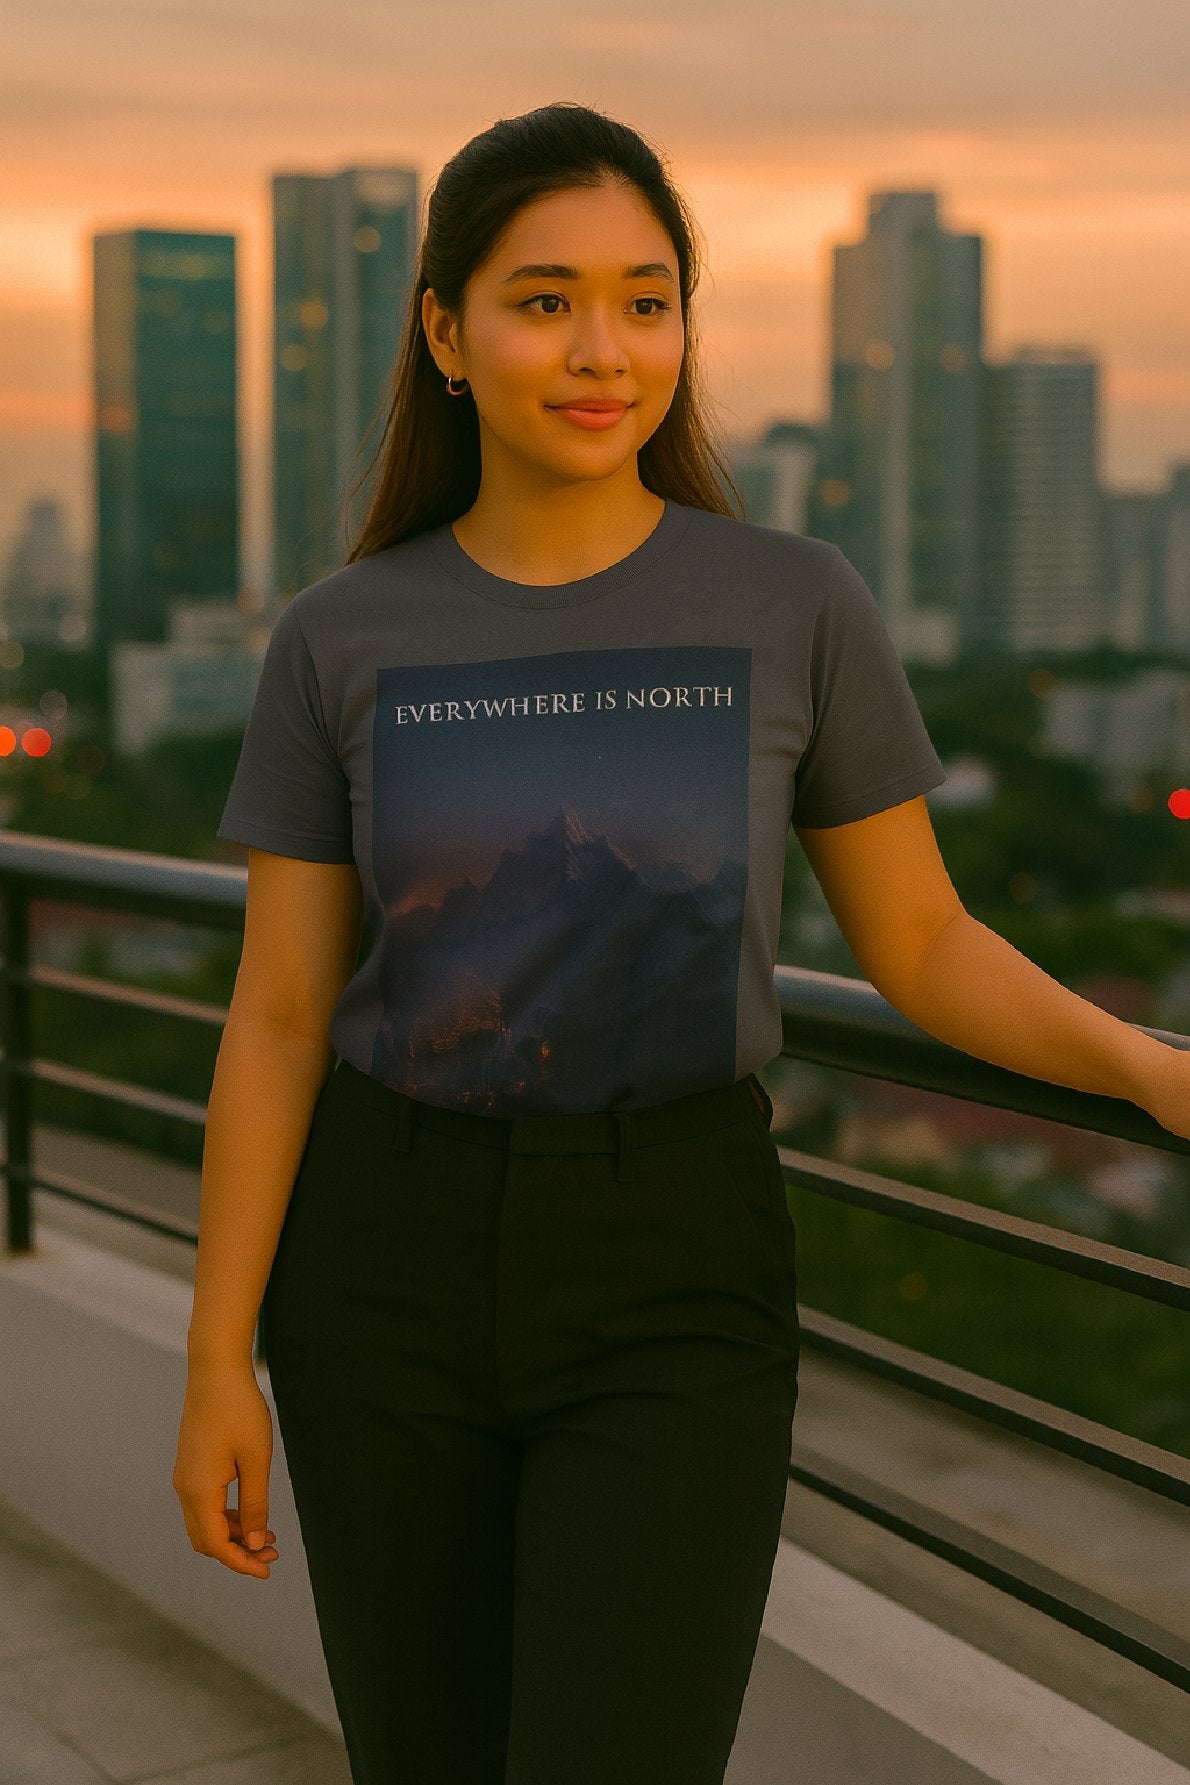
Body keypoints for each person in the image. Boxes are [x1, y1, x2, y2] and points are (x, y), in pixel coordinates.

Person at [170, 99, 1188, 1785]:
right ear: (443, 330)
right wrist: (219, 1360)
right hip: (381, 1269)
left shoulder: (793, 600)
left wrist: (1143, 1067)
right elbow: (276, 1013)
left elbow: (921, 940)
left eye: (646, 301)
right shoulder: (339, 636)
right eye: (544, 296)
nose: (601, 348)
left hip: (674, 1270)